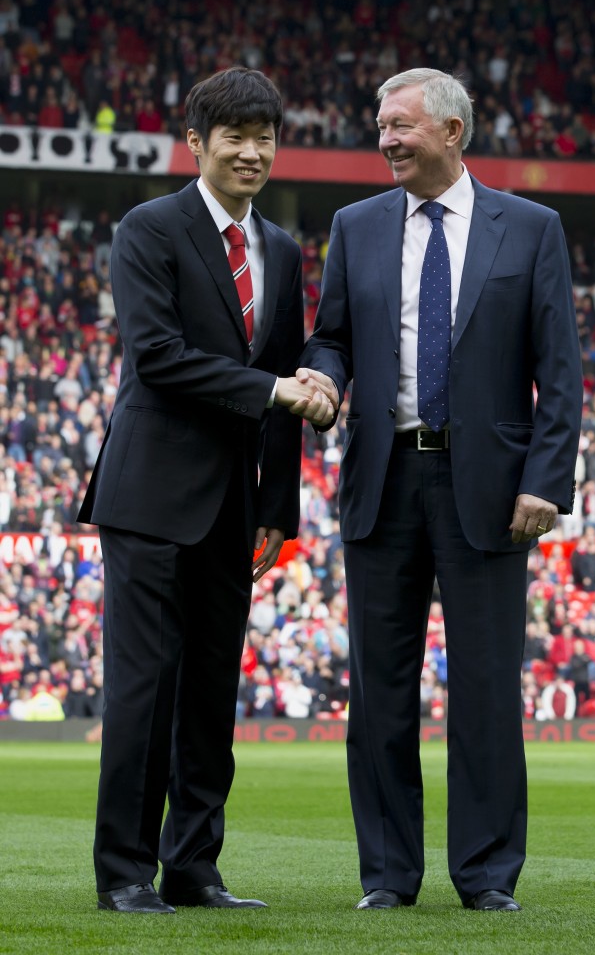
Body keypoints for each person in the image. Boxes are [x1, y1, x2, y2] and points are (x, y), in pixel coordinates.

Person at [299, 68, 582, 913]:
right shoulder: (356, 225)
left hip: (491, 489)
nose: (384, 138)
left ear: (452, 132)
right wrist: (320, 379)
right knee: (379, 689)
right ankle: (387, 877)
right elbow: (332, 338)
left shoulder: (532, 228)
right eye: (380, 125)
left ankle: (488, 875)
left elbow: (559, 372)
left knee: (488, 691)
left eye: (399, 125)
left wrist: (547, 483)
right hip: (383, 482)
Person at [78, 67, 335, 915]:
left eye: (265, 136)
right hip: (149, 497)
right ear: (197, 143)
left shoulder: (287, 250)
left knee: (210, 691)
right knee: (144, 690)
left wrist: (278, 508)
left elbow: (289, 380)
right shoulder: (147, 228)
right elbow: (157, 357)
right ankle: (123, 872)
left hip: (234, 506)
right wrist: (272, 393)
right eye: (235, 136)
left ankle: (194, 867)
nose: (253, 151)